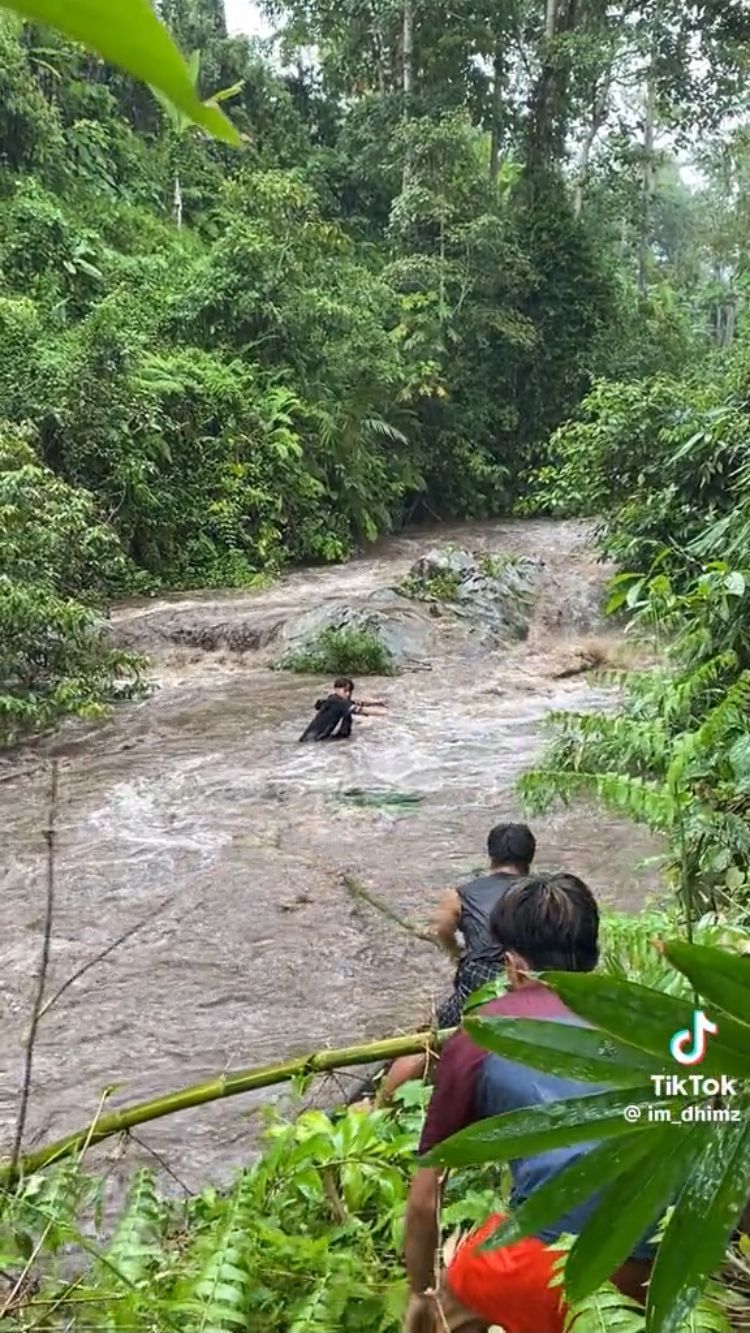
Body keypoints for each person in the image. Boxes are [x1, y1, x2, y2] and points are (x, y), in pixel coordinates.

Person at [403, 873, 656, 1333]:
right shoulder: (658, 1023)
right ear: (594, 959)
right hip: (664, 1266)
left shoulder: (484, 1035)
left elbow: (425, 1201)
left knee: (446, 1302)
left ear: (513, 966)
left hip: (549, 1270)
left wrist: (419, 1293)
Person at [378, 823, 535, 1101]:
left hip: (481, 980)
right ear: (530, 857)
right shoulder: (542, 892)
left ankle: (381, 1104)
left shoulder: (461, 894)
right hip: (530, 977)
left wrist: (454, 953)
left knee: (428, 1042)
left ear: (491, 856)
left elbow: (442, 929)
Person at [298, 677, 384, 743]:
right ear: (336, 689)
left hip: (314, 738)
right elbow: (360, 710)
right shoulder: (338, 702)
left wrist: (376, 704)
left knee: (347, 716)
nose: (348, 694)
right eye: (345, 691)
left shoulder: (333, 699)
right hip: (313, 741)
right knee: (347, 717)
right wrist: (384, 714)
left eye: (350, 691)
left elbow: (356, 704)